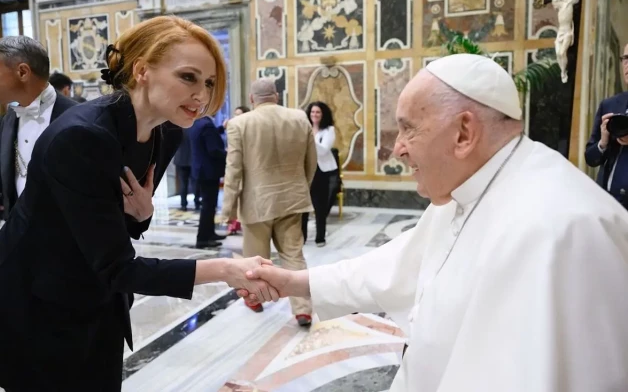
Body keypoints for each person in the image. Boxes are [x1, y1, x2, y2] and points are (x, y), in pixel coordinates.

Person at [240, 54, 628, 391]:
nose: (398, 148)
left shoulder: (564, 230)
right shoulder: (469, 186)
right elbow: (398, 265)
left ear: (463, 133)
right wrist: (296, 281)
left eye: (409, 128)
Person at [0, 16, 279, 390]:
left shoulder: (166, 132)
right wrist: (224, 270)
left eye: (209, 82)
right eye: (188, 77)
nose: (203, 94)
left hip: (98, 297)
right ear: (142, 70)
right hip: (39, 303)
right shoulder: (83, 136)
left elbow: (120, 220)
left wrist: (143, 216)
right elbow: (116, 266)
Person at [222, 78, 317, 325]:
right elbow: (311, 162)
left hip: (257, 203)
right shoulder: (298, 118)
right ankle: (303, 309)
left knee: (254, 258)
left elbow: (233, 169)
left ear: (252, 99)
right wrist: (300, 188)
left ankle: (254, 299)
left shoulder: (239, 124)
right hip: (292, 199)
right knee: (294, 256)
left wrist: (228, 209)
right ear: (276, 95)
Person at [0, 37, 77, 222]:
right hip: (19, 239)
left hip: (69, 239)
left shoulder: (80, 118)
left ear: (23, 72)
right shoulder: (8, 120)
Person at [584, 43, 628, 208]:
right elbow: (590, 158)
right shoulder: (609, 105)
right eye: (625, 59)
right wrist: (603, 142)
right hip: (606, 203)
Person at [301, 101, 337, 246]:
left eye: (318, 112)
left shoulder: (329, 130)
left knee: (319, 206)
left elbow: (323, 150)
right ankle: (302, 237)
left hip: (321, 172)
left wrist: (309, 138)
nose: (314, 115)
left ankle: (320, 237)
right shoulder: (304, 128)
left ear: (323, 115)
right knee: (303, 207)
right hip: (305, 171)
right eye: (312, 112)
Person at [190, 114, 227, 248]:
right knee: (208, 206)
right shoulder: (207, 125)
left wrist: (221, 129)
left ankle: (210, 233)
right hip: (208, 172)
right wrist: (229, 153)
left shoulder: (198, 123)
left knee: (209, 205)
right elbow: (214, 150)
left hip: (202, 170)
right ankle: (203, 239)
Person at [224, 105, 250, 236]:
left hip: (246, 169)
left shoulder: (249, 129)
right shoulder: (232, 128)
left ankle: (238, 222)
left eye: (239, 114)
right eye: (235, 114)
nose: (236, 117)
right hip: (234, 167)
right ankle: (233, 223)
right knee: (234, 198)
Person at [174, 127, 201, 211]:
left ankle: (183, 205)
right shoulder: (195, 128)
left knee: (183, 183)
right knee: (195, 182)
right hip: (193, 159)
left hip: (181, 159)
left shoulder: (178, 129)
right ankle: (197, 202)